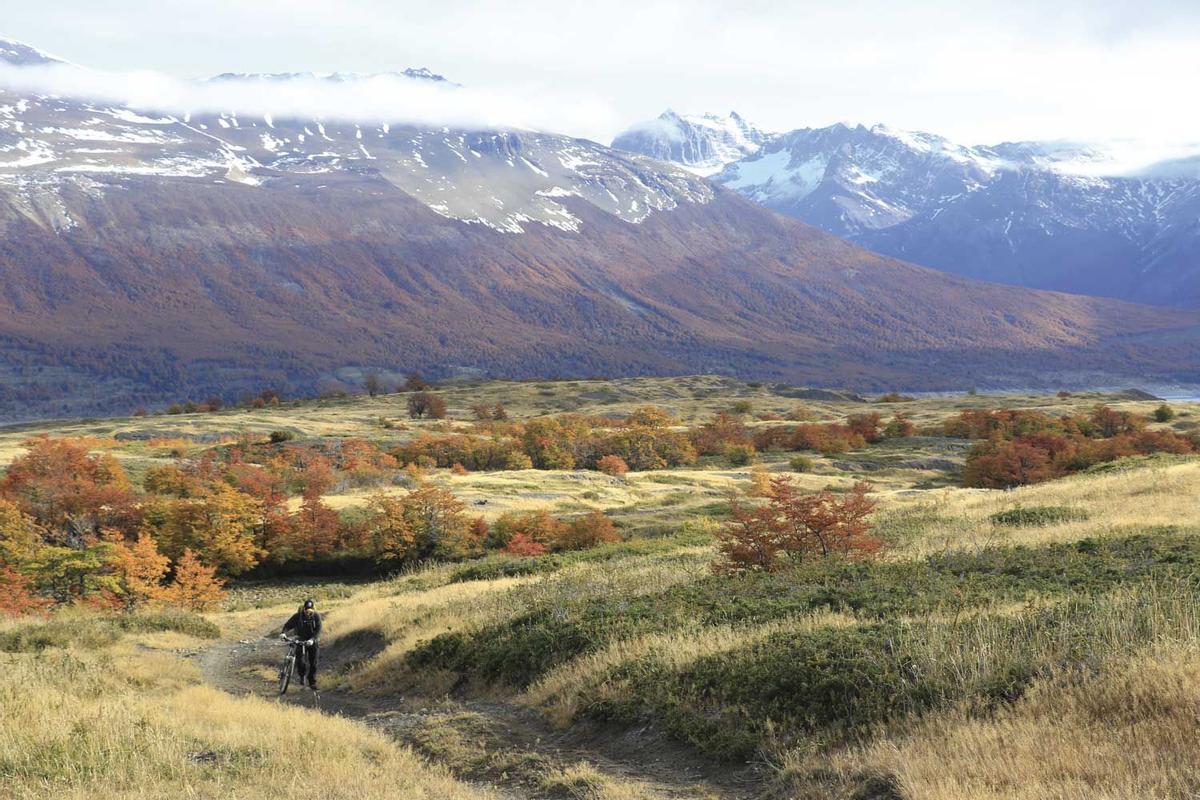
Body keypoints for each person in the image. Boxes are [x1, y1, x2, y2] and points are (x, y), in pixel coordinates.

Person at [281, 598, 322, 691]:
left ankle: (312, 683)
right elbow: (288, 625)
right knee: (301, 661)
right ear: (304, 609)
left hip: (313, 641)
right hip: (301, 639)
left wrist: (312, 639)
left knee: (314, 663)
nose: (308, 613)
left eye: (310, 610)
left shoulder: (316, 616)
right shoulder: (298, 616)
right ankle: (302, 676)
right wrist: (283, 632)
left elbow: (318, 630)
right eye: (307, 610)